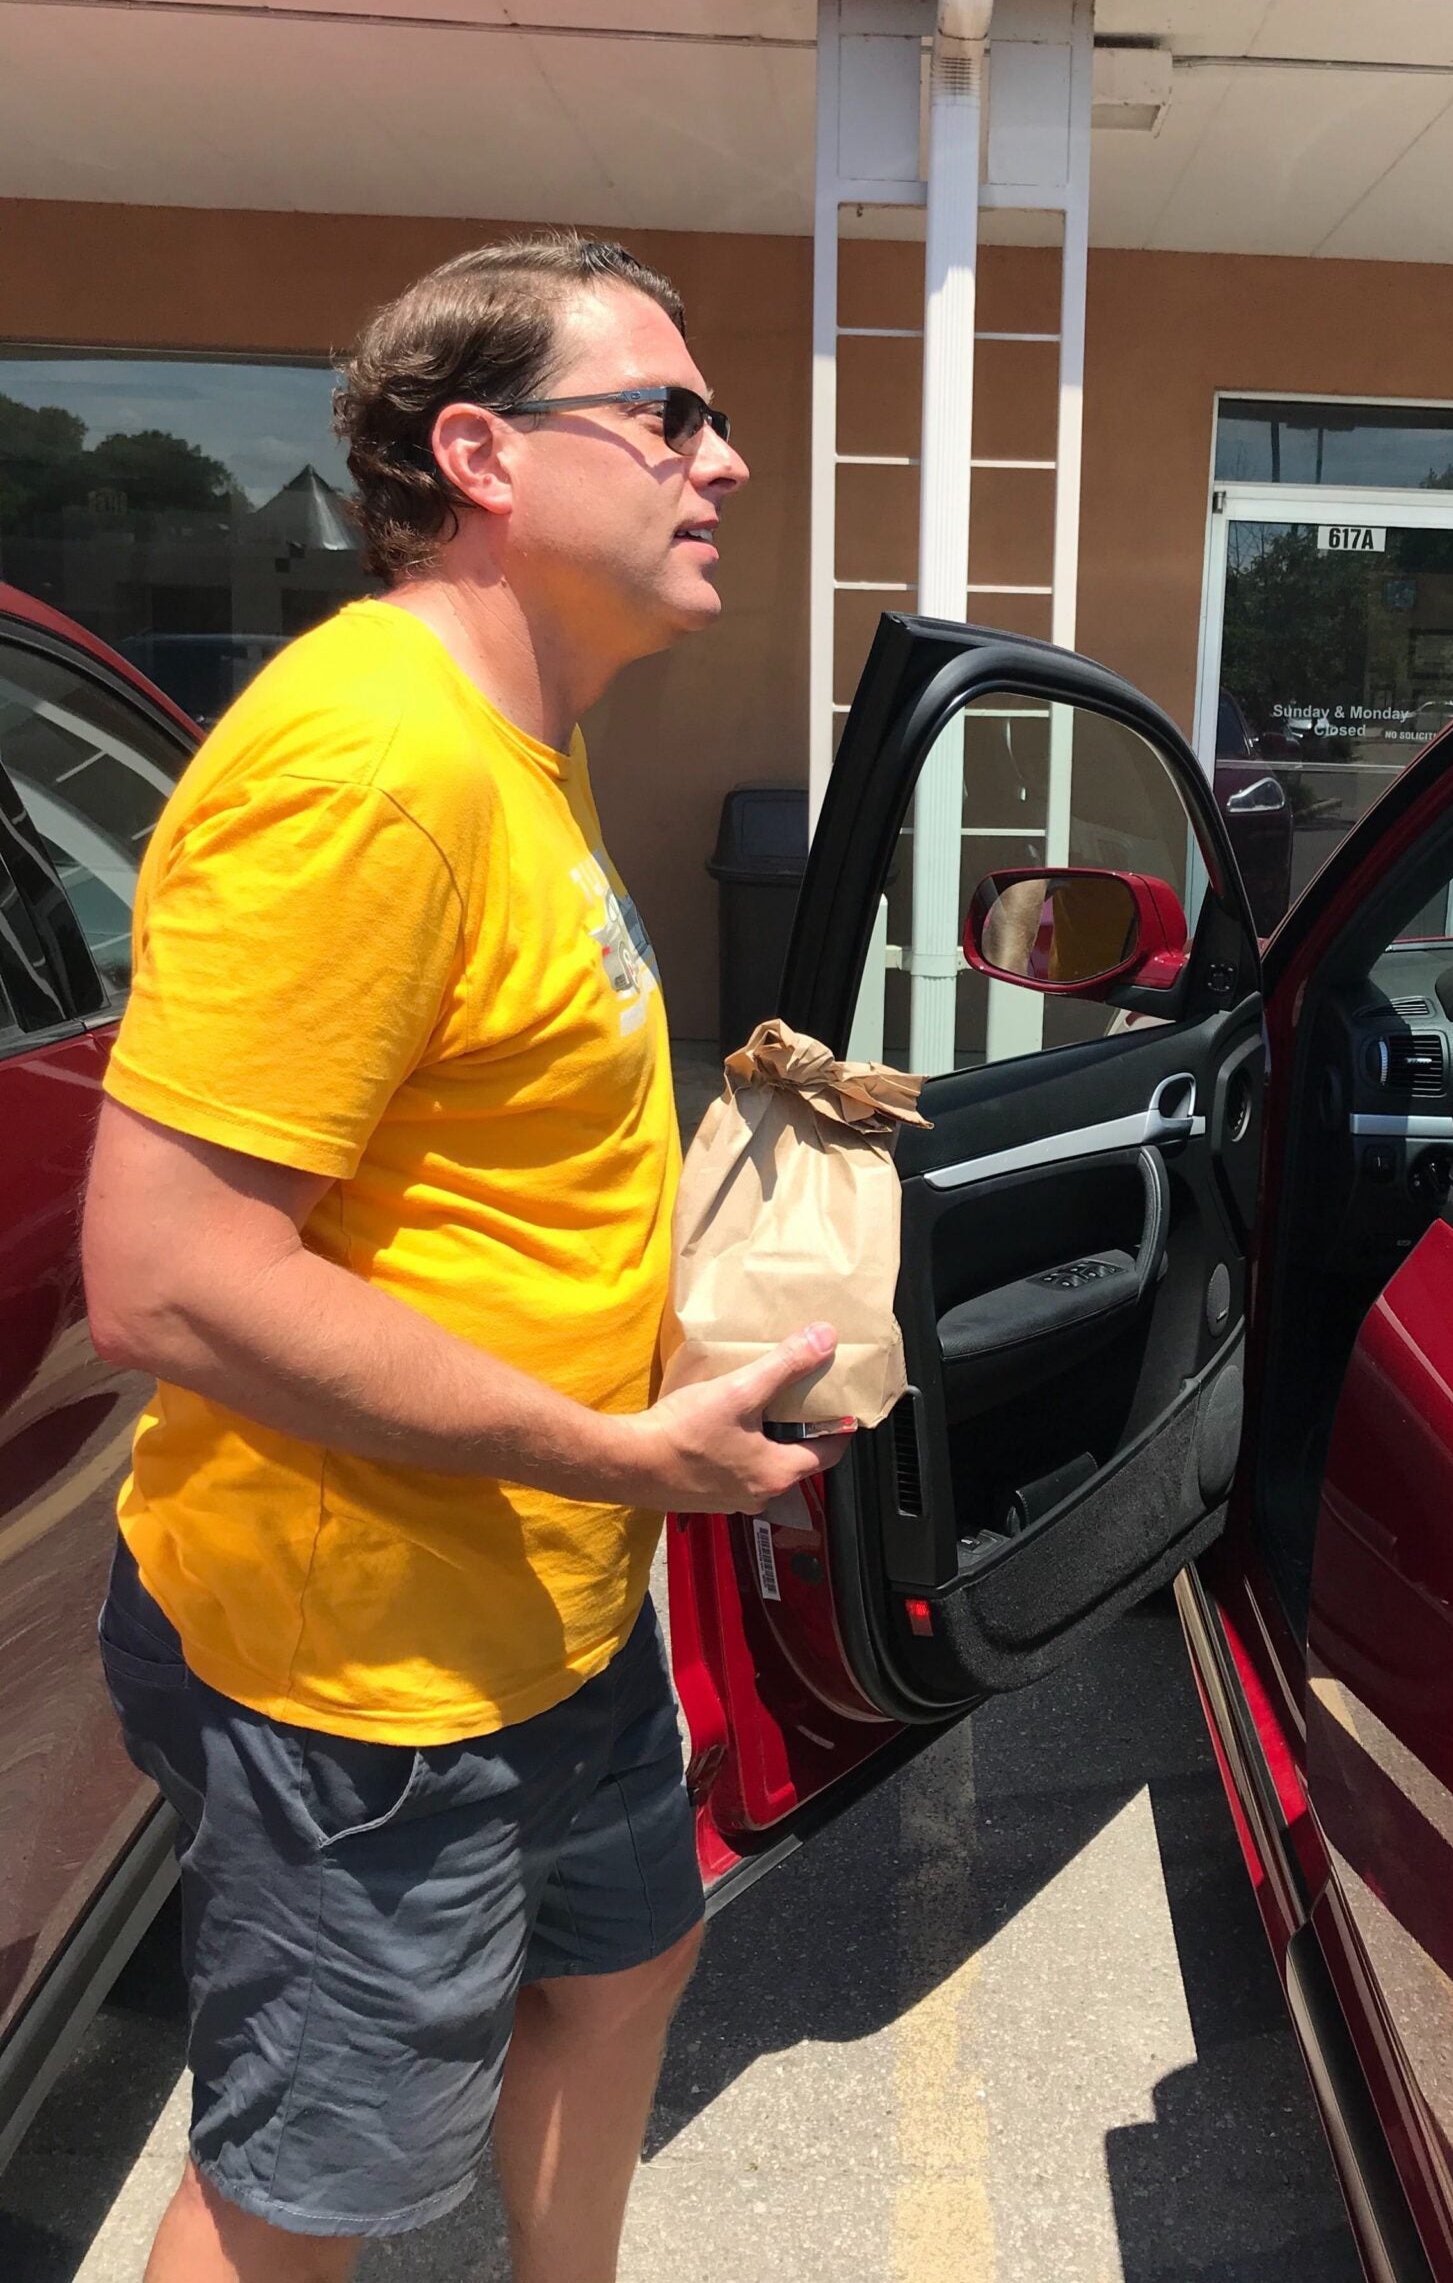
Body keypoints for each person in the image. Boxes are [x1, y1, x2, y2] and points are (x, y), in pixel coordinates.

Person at [81, 232, 843, 2283]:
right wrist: (614, 1454)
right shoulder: (370, 768)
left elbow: (484, 1146)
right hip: (365, 1667)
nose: (725, 461)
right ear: (483, 457)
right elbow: (166, 1277)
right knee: (309, 2183)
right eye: (670, 416)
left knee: (631, 1962)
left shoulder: (522, 730)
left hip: (548, 1603)